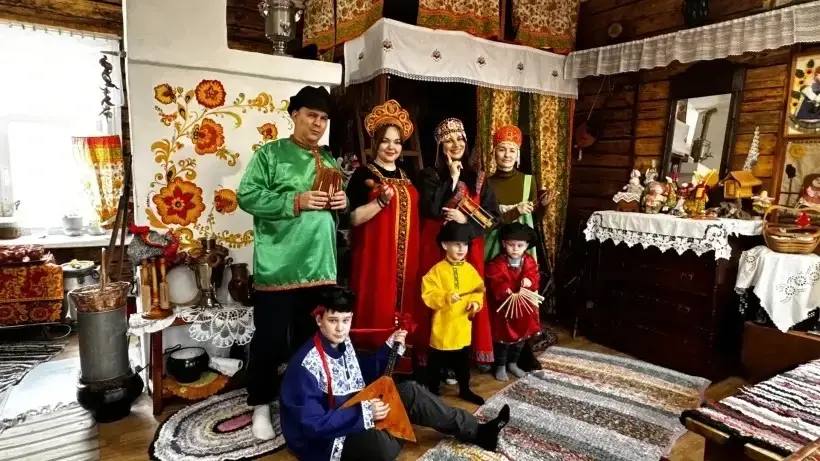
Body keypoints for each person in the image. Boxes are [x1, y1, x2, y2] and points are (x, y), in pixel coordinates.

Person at [279, 286, 511, 461]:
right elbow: (311, 424)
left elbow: (359, 375)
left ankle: (478, 431)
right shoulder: (306, 365)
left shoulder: (342, 341)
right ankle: (401, 423)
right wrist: (364, 414)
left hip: (354, 409)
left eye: (346, 320)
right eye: (333, 321)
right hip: (323, 439)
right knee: (382, 448)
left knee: (411, 391)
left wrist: (389, 349)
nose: (340, 328)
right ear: (319, 320)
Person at [237, 85, 347, 440]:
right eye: (312, 115)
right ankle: (260, 403)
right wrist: (295, 200)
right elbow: (247, 196)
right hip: (279, 267)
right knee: (270, 339)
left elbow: (332, 209)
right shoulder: (270, 154)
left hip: (321, 267)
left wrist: (341, 203)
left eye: (324, 118)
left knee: (310, 340)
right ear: (295, 115)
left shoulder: (328, 160)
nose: (318, 123)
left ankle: (303, 401)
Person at [416, 118, 498, 370]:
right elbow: (431, 210)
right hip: (436, 249)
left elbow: (493, 218)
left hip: (468, 249)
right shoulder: (430, 175)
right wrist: (451, 180)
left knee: (467, 299)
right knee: (441, 300)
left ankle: (463, 357)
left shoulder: (479, 178)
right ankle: (435, 359)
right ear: (440, 146)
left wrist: (465, 220)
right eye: (449, 140)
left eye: (460, 138)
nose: (456, 144)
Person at [346, 100, 421, 351]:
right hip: (375, 256)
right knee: (375, 303)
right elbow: (353, 218)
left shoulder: (409, 175)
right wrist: (380, 202)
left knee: (405, 305)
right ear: (376, 143)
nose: (391, 147)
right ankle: (372, 358)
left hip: (407, 258)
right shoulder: (363, 175)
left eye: (397, 142)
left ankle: (399, 360)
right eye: (386, 141)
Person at [421, 222, 486, 405]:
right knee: (436, 363)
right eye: (456, 244)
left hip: (462, 327)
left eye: (465, 244)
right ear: (444, 245)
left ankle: (465, 389)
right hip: (443, 327)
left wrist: (475, 303)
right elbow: (428, 294)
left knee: (462, 364)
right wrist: (446, 296)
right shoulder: (437, 270)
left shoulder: (470, 270)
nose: (461, 249)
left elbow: (478, 291)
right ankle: (432, 391)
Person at [485, 125, 550, 261]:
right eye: (502, 150)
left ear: (517, 154)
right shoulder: (486, 184)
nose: (507, 155)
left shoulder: (528, 181)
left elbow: (532, 221)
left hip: (520, 252)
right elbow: (486, 224)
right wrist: (516, 211)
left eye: (512, 150)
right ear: (494, 152)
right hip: (492, 249)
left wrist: (543, 206)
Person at [485, 223, 541, 381]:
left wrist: (529, 281)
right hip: (505, 308)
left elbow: (534, 275)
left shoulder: (528, 261)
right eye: (511, 245)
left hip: (523, 308)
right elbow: (495, 279)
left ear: (526, 246)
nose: (515, 249)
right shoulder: (498, 263)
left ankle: (513, 363)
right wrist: (504, 289)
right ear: (504, 244)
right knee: (503, 340)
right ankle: (500, 365)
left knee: (521, 338)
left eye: (520, 245)